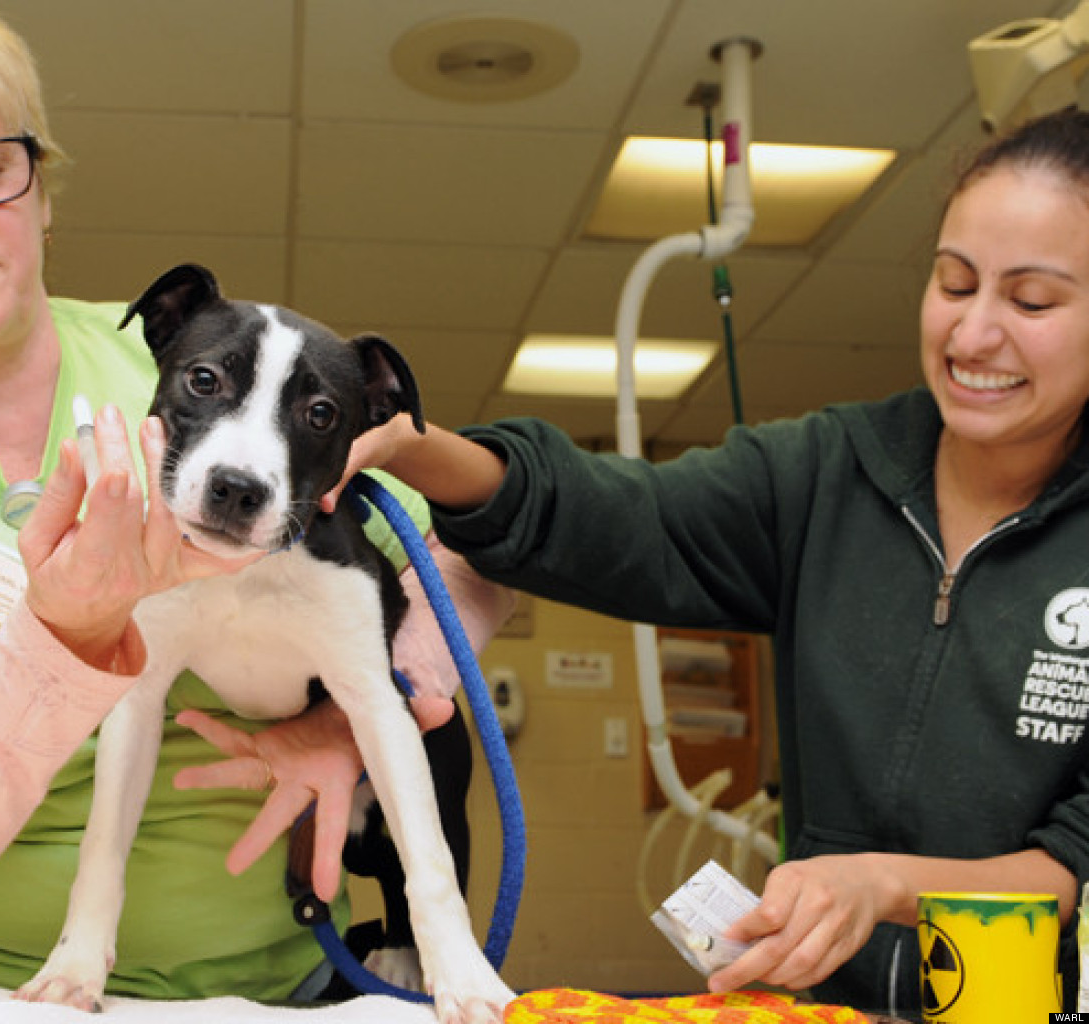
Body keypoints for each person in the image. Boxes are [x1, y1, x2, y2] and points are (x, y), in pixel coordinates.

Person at [0, 0, 509, 1004]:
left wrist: (362, 708)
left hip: (294, 977)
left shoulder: (208, 358)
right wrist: (66, 635)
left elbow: (463, 570)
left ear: (41, 191)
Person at [325, 106, 1089, 1015]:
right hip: (823, 1006)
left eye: (1032, 301)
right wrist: (407, 444)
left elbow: (1074, 859)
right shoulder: (829, 473)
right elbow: (624, 519)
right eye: (954, 284)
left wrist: (878, 886)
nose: (972, 337)